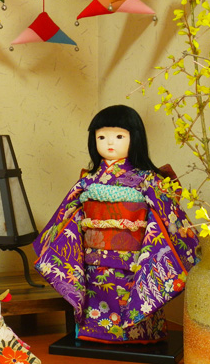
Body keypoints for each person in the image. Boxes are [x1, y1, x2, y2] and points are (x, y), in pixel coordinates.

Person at [33, 105, 198, 343]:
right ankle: (93, 333)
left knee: (131, 298)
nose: (110, 142)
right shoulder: (88, 180)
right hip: (93, 260)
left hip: (132, 259)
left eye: (119, 136)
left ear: (135, 138)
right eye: (101, 137)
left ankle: (139, 334)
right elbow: (65, 215)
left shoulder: (146, 179)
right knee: (95, 295)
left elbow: (168, 215)